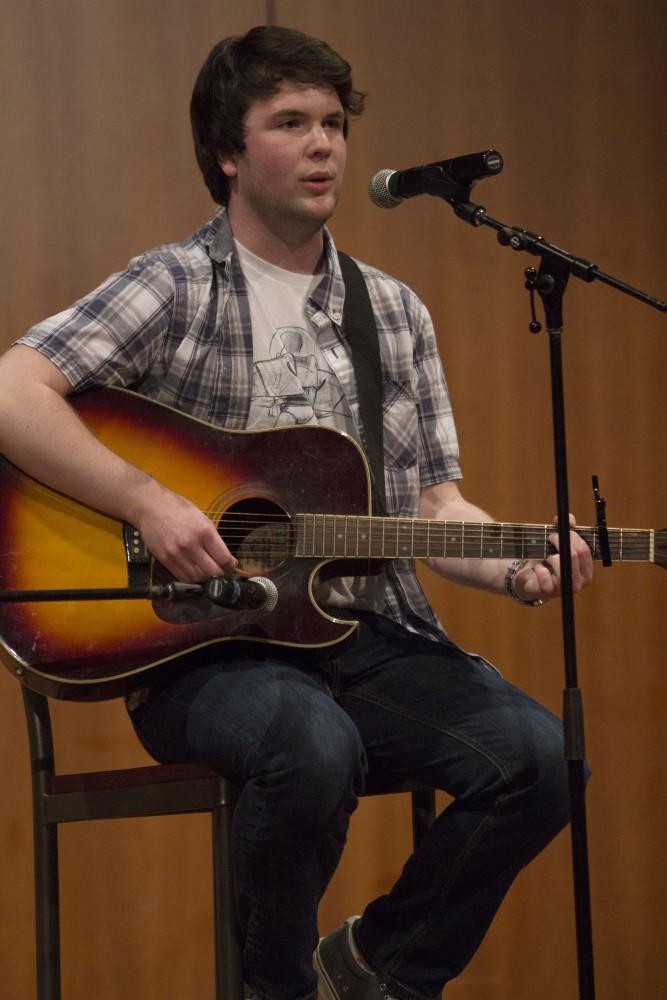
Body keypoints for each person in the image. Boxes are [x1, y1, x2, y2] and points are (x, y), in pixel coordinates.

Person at [0, 25, 593, 1000]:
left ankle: (368, 968)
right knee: (312, 745)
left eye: (332, 123)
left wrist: (517, 566)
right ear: (228, 153)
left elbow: (433, 504)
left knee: (534, 754)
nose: (323, 145)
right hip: (202, 647)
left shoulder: (390, 311)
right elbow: (15, 390)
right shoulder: (176, 284)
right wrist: (147, 500)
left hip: (364, 635)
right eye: (290, 123)